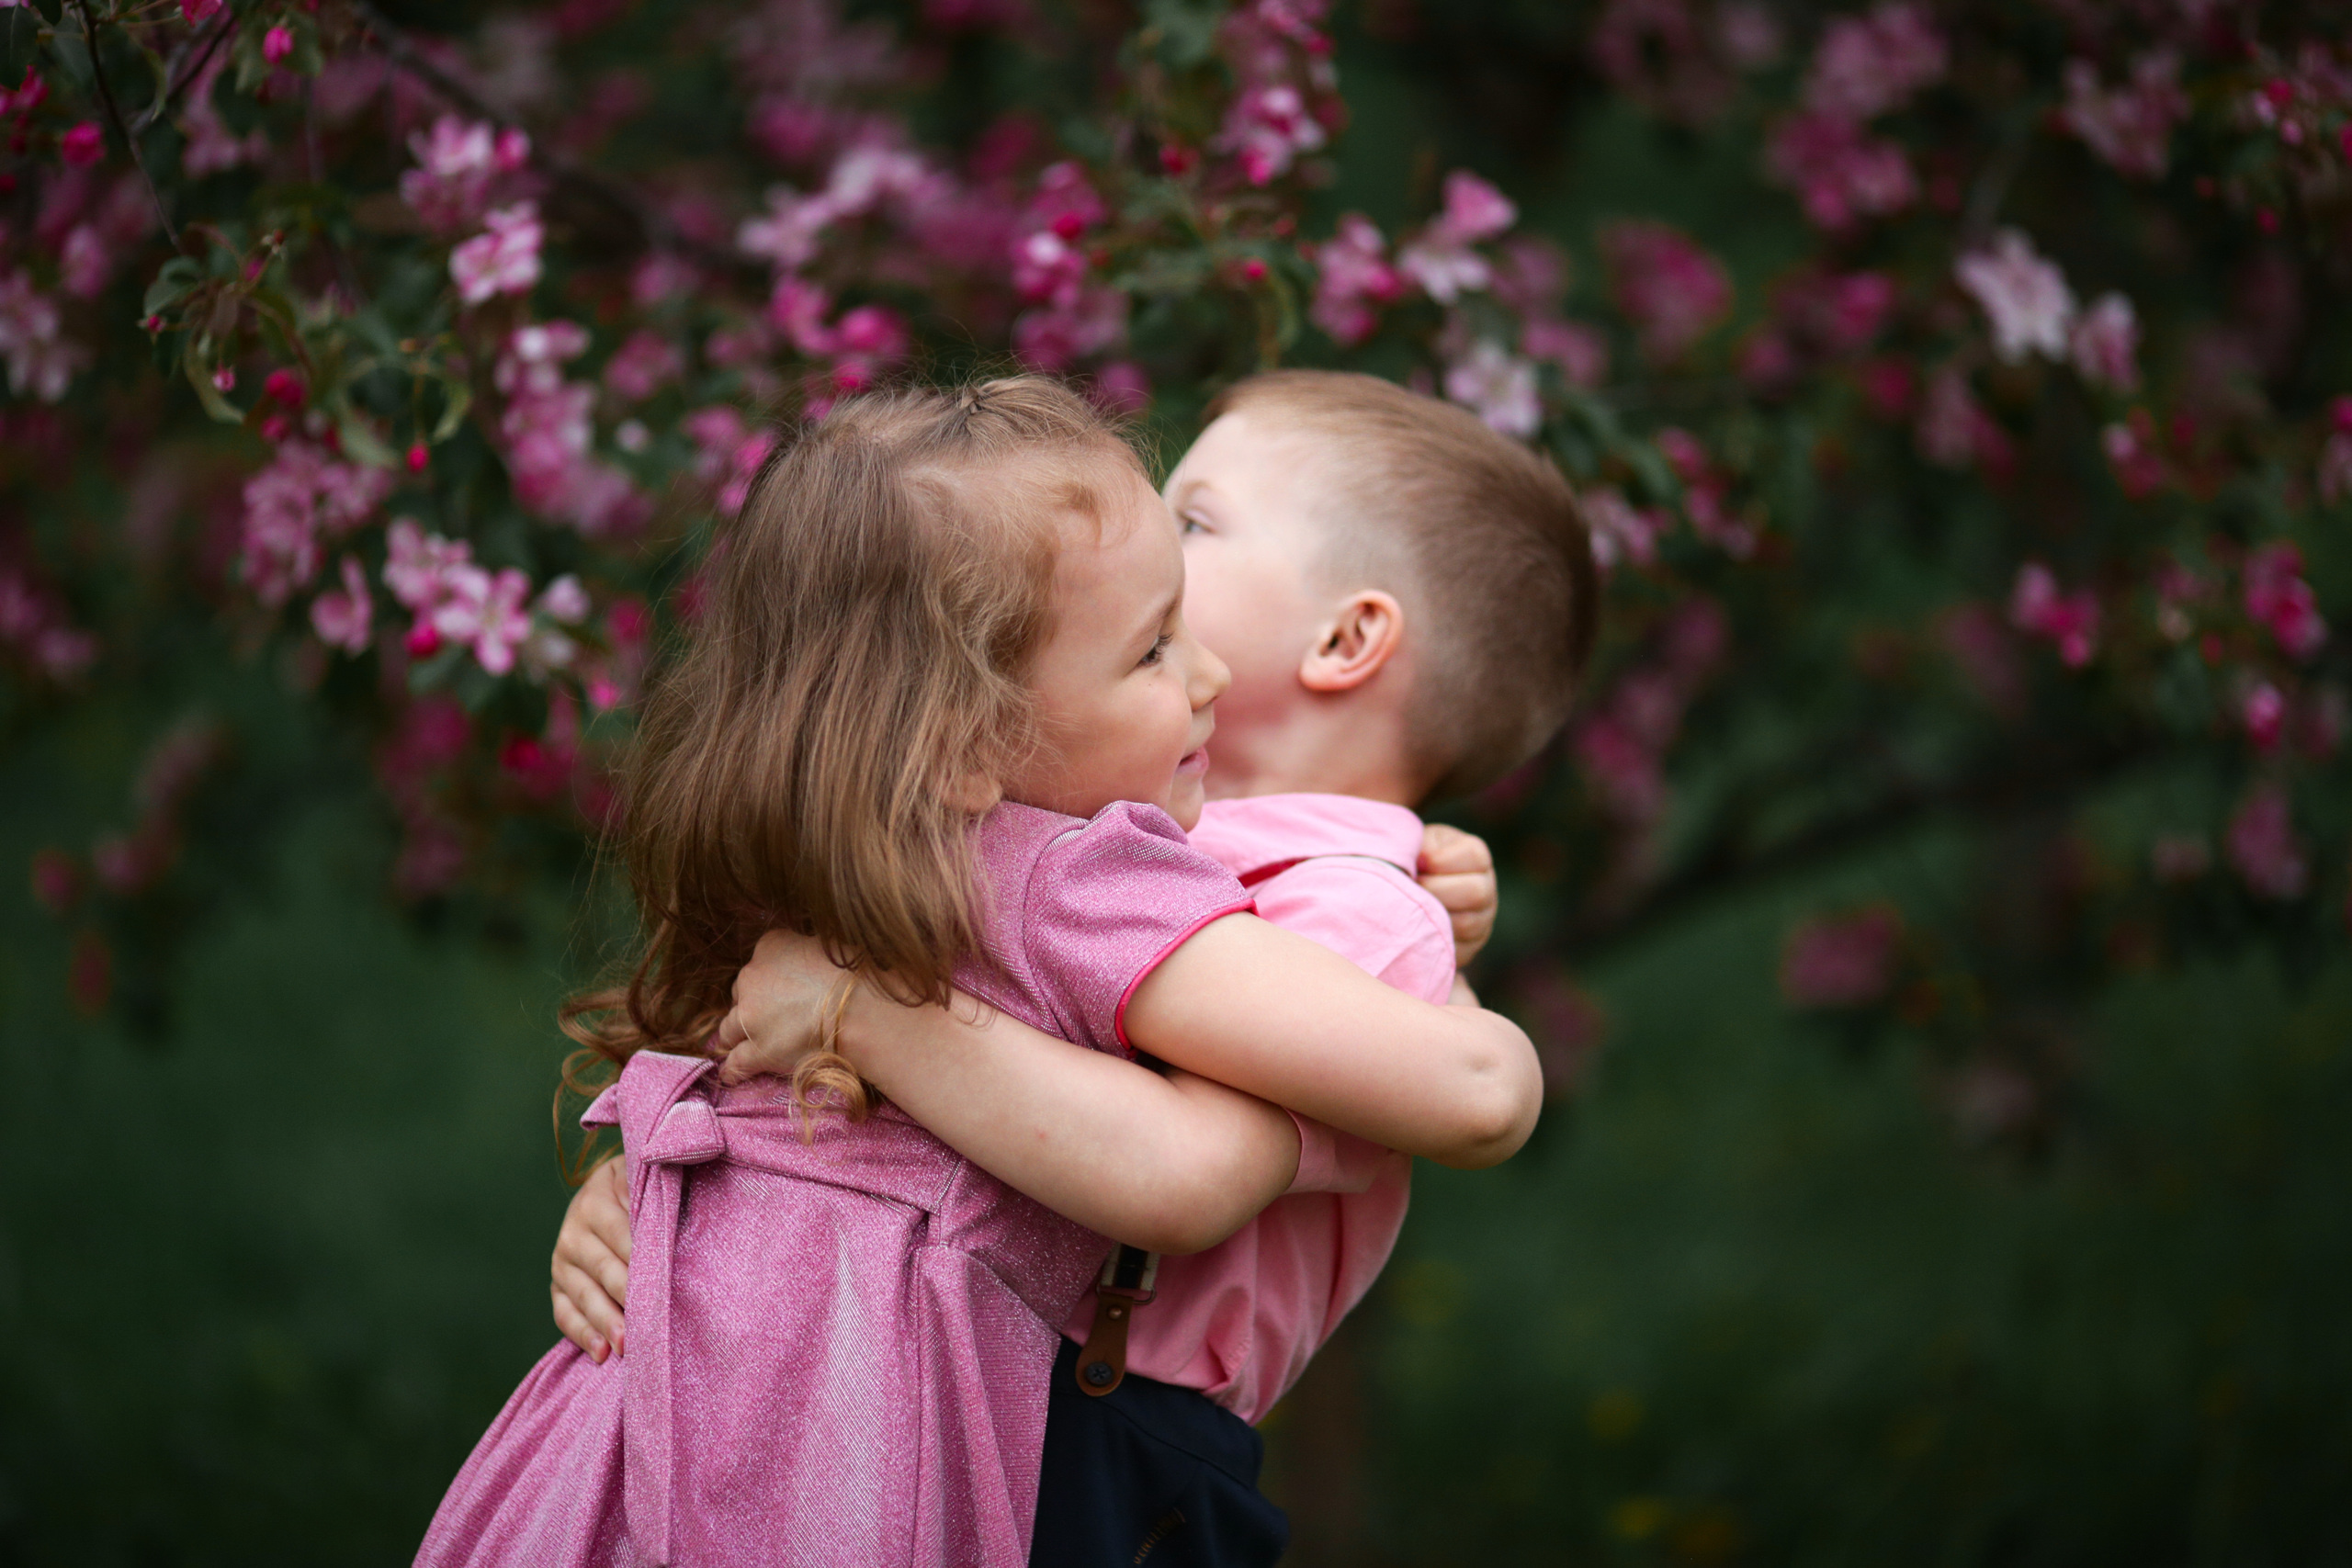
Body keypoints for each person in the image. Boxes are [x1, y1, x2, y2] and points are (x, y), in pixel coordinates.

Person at [418, 376, 1548, 1568]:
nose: (1200, 667)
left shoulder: (1066, 869)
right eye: (1155, 645)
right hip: (774, 1406)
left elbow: (1311, 1134)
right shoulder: (1019, 866)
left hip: (834, 1420)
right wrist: (638, 1206)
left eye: (1197, 533)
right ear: (966, 735)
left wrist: (872, 1021)